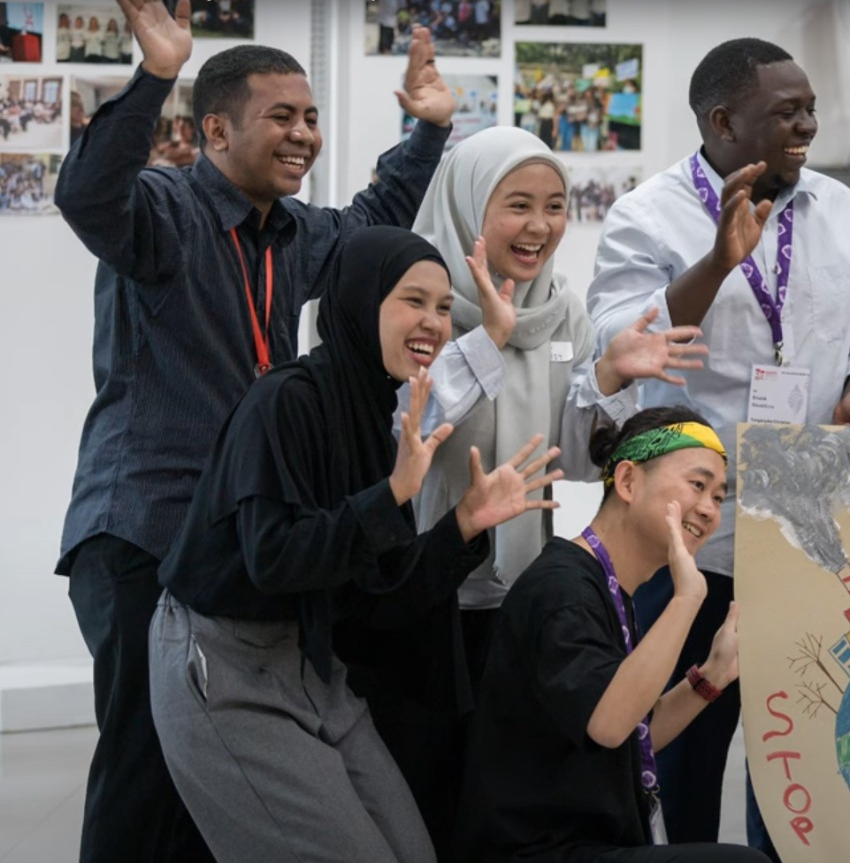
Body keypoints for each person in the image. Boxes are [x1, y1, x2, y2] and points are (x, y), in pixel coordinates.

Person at [52, 0, 455, 861]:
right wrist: (156, 75)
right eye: (282, 116)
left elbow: (373, 226)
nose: (305, 134)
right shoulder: (164, 209)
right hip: (142, 537)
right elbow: (86, 198)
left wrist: (426, 130)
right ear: (216, 131)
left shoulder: (293, 232)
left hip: (237, 541)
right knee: (146, 772)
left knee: (218, 788)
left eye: (311, 117)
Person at [588, 37, 850, 852]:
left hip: (812, 538)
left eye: (809, 110)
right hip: (690, 549)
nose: (806, 126)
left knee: (801, 764)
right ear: (723, 121)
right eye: (785, 112)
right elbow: (619, 346)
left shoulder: (836, 208)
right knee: (681, 761)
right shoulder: (648, 214)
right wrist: (719, 261)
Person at [151, 227, 559, 863]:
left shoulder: (377, 414)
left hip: (309, 661)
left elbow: (378, 598)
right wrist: (393, 492)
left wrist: (463, 526)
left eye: (445, 308)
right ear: (358, 301)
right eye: (412, 301)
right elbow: (276, 560)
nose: (432, 322)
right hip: (224, 659)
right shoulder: (286, 400)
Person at [389, 126, 708, 856]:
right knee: (438, 780)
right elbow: (411, 427)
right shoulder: (425, 303)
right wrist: (487, 339)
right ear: (469, 208)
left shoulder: (565, 313)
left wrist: (606, 378)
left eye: (556, 205)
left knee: (518, 776)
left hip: (535, 595)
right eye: (518, 205)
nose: (539, 226)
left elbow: (573, 444)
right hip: (441, 591)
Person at [458, 407, 768, 863]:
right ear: (627, 482)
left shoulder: (607, 586)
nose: (708, 509)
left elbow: (631, 732)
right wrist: (687, 598)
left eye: (719, 497)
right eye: (697, 485)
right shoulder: (562, 589)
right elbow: (608, 725)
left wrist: (712, 678)